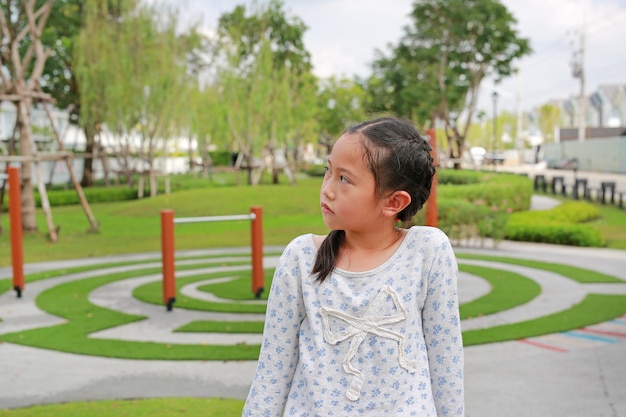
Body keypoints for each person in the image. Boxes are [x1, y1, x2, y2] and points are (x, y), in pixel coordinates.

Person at [242, 116, 464, 416]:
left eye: (344, 179)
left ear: (394, 202)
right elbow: (273, 367)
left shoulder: (427, 252)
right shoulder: (301, 258)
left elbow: (446, 360)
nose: (327, 189)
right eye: (327, 172)